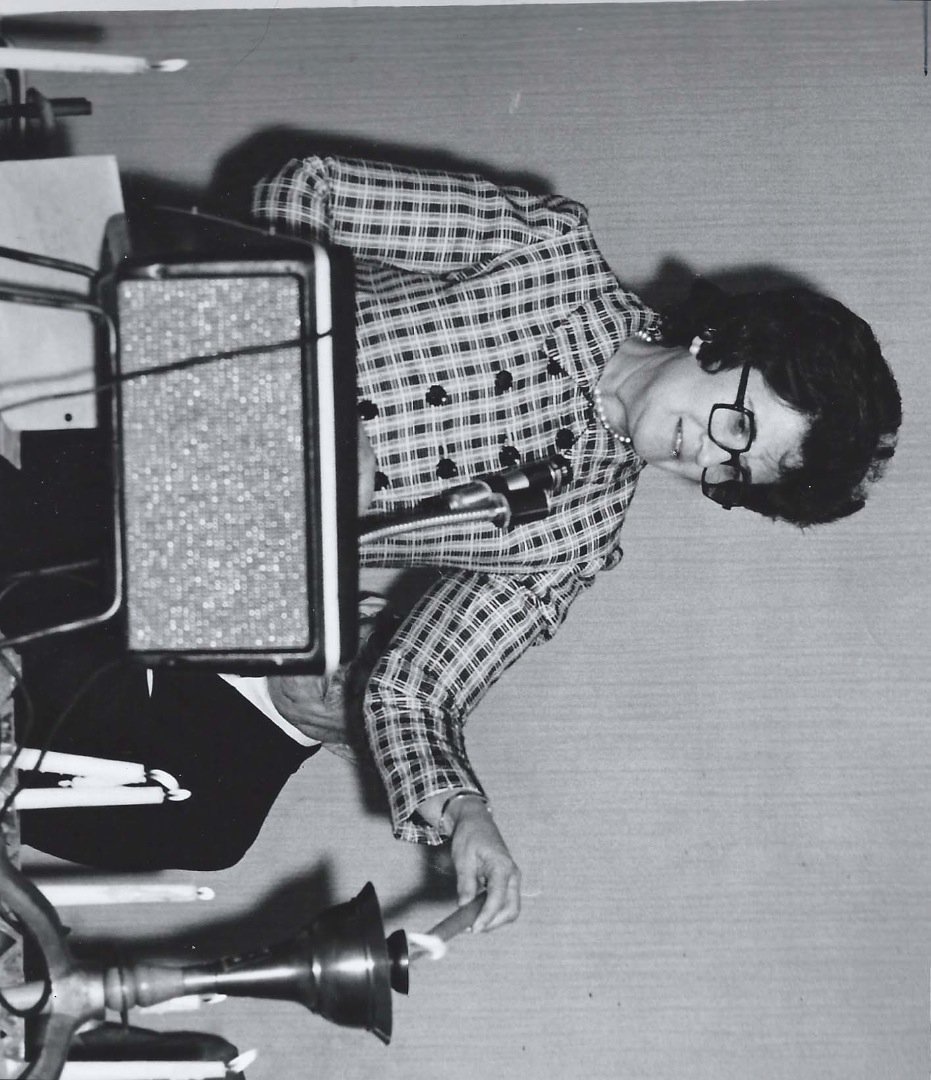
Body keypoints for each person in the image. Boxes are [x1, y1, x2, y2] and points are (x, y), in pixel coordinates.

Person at [1, 155, 901, 934]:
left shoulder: (579, 534)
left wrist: (463, 809)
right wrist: (303, 394)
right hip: (131, 361)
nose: (706, 458)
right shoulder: (546, 251)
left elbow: (416, 683)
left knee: (136, 720)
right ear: (723, 342)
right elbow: (305, 191)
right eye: (736, 426)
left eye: (735, 475)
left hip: (171, 529)